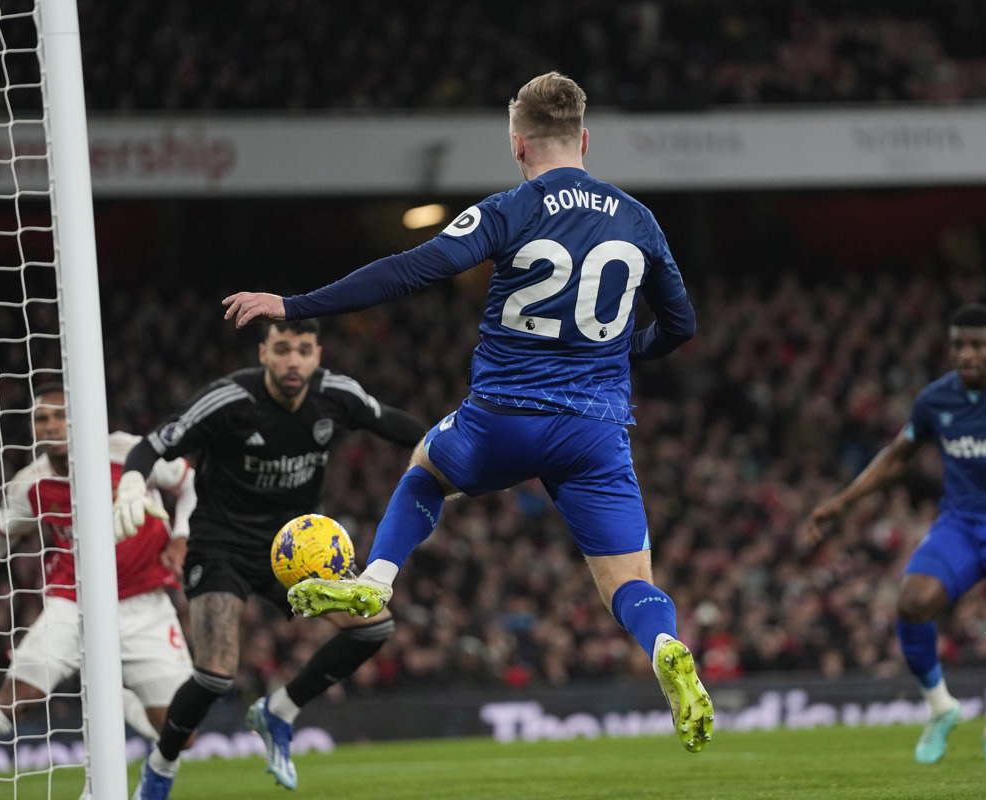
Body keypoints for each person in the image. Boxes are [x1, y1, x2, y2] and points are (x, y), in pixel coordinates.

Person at [223, 71, 713, 754]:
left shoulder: (511, 209)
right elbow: (681, 326)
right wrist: (623, 349)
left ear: (517, 143)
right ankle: (664, 644)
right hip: (594, 429)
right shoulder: (638, 219)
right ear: (585, 140)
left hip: (503, 417)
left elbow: (409, 270)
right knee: (629, 582)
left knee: (426, 470)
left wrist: (294, 304)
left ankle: (376, 580)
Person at [119, 318, 426, 800]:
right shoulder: (229, 400)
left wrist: (458, 456)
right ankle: (160, 766)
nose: (293, 361)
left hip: (294, 549)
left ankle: (279, 710)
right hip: (221, 543)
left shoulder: (335, 395)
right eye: (282, 349)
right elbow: (153, 445)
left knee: (373, 626)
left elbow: (396, 424)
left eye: (303, 350)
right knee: (216, 672)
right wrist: (132, 481)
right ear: (263, 353)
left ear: (317, 355)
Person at [801, 303, 986, 763]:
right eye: (959, 345)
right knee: (911, 601)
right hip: (961, 523)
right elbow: (897, 456)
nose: (967, 354)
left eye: (977, 345)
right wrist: (843, 502)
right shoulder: (936, 400)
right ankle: (941, 708)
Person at [0, 384, 197, 800]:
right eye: (41, 419)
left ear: (80, 418)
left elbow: (189, 481)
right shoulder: (31, 484)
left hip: (145, 603)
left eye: (59, 416)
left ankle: (115, 692)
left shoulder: (127, 451)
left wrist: (181, 535)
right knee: (14, 701)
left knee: (183, 735)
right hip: (73, 603)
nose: (50, 426)